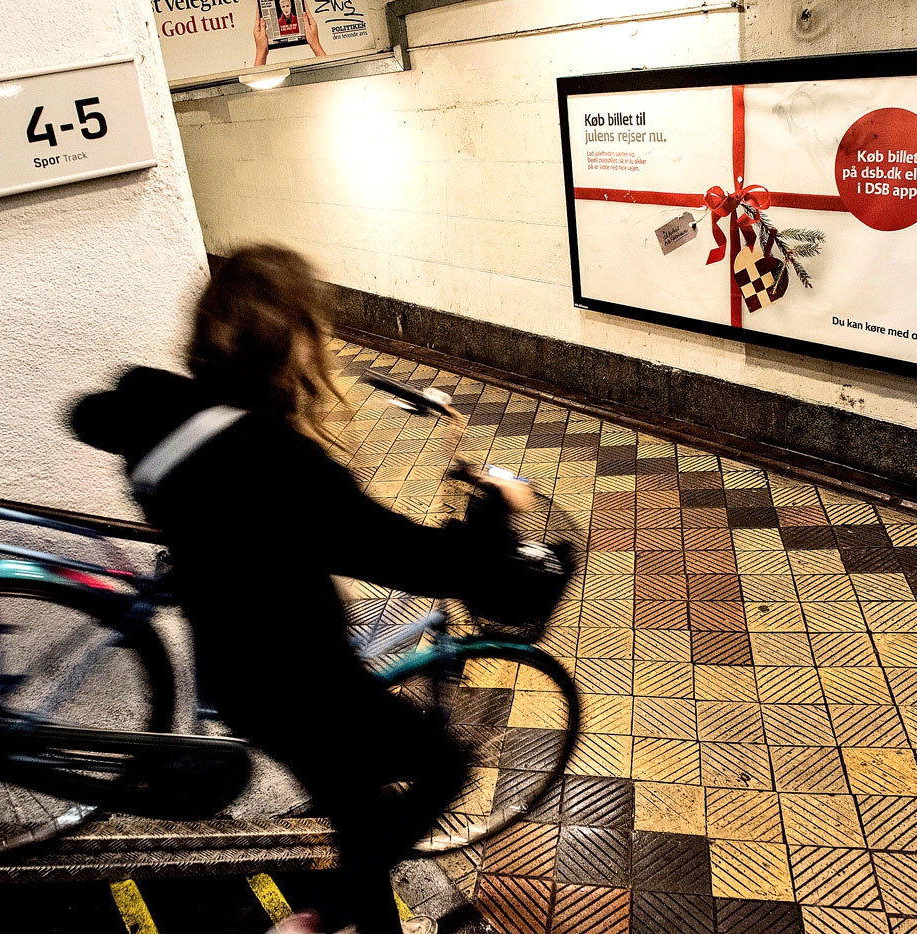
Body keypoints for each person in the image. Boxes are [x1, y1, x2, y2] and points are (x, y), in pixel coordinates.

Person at [69, 244, 566, 934]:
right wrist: (498, 508)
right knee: (444, 767)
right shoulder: (279, 463)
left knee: (358, 815)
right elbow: (416, 558)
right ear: (295, 340)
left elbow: (86, 414)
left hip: (232, 672)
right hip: (304, 684)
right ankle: (316, 920)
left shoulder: (155, 406)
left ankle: (354, 919)